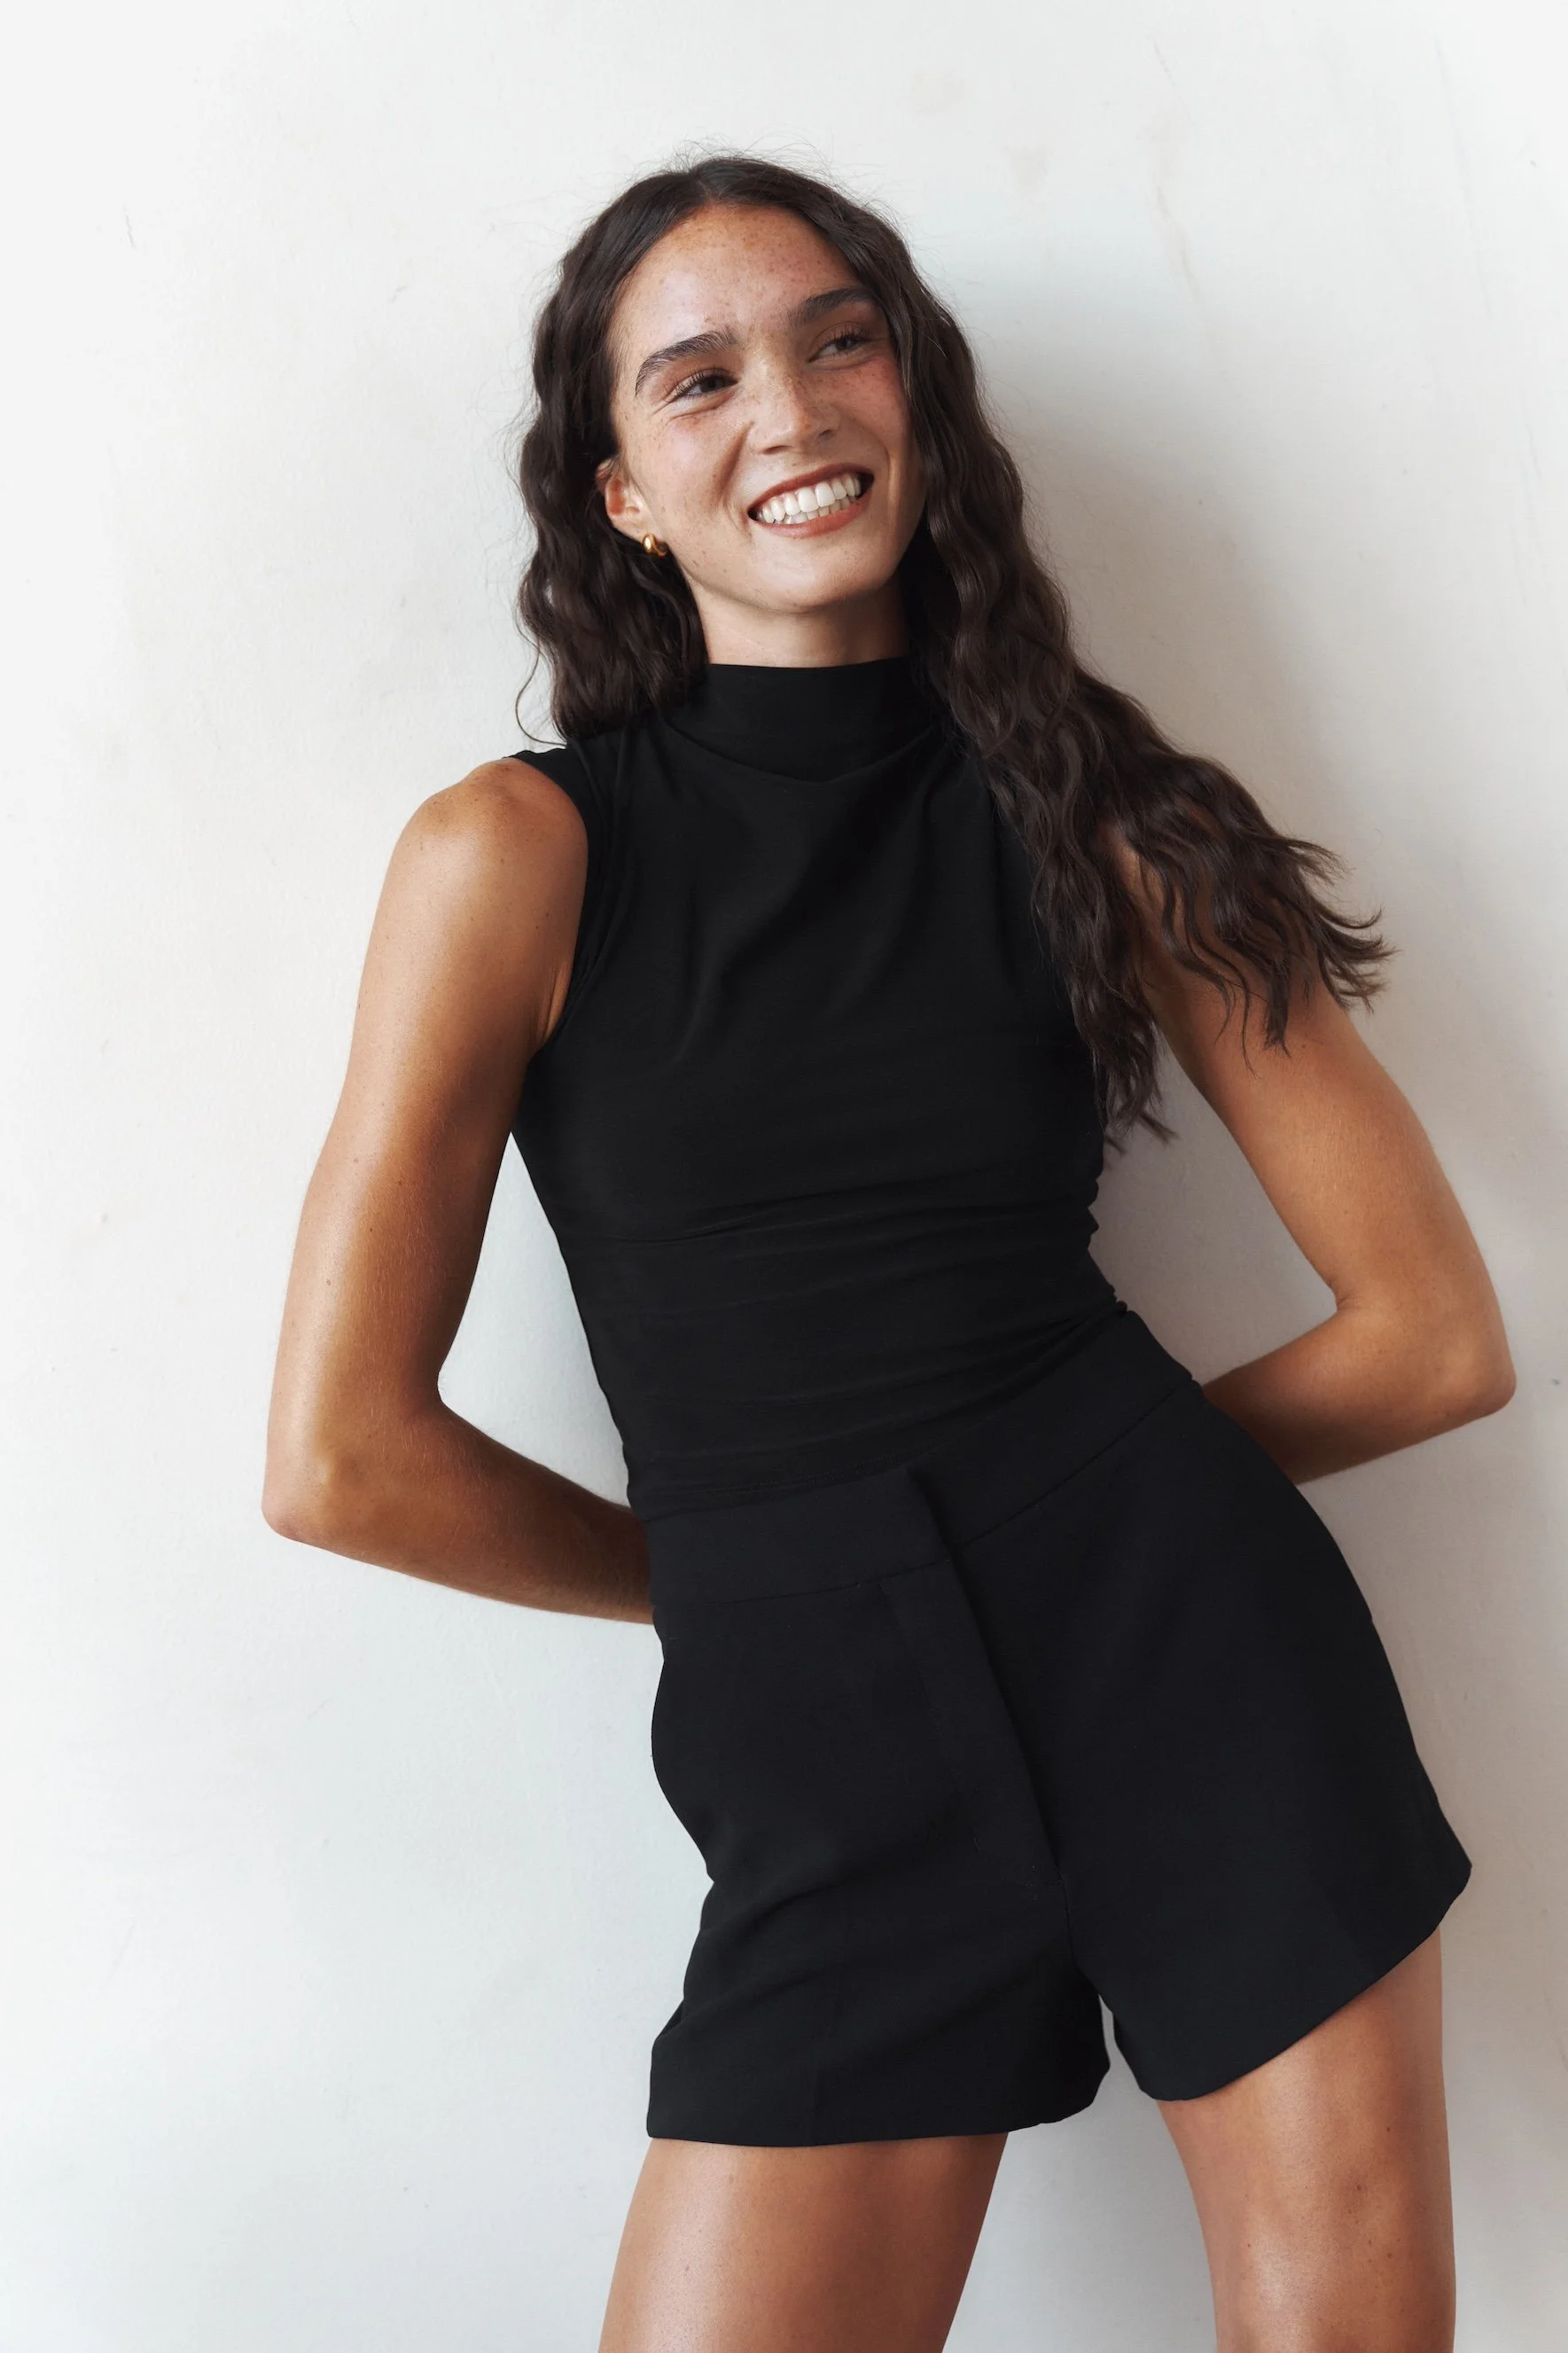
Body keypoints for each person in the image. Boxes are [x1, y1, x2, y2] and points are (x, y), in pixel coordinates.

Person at [263, 155, 1515, 2353]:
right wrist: (781, 1577)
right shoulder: (511, 856)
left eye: (838, 339)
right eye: (699, 376)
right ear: (622, 494)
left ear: (912, 397)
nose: (788, 405)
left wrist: (1050, 1521)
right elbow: (340, 1460)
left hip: (1197, 1669)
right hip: (823, 1746)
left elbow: (1431, 1337)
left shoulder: (1117, 827)